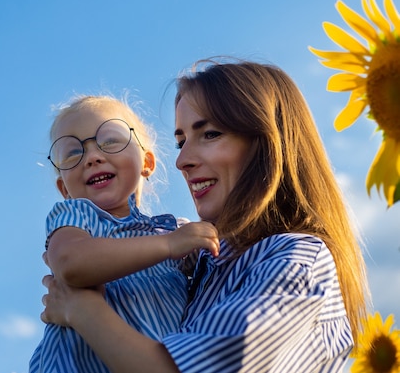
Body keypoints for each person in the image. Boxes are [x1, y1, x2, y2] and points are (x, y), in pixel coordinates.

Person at [38, 60, 369, 373]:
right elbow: (73, 260)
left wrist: (80, 308)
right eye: (181, 140)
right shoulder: (203, 264)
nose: (182, 160)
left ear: (267, 143)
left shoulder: (295, 260)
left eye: (209, 134)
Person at [29, 95, 220, 373]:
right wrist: (169, 244)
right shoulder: (78, 217)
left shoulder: (174, 231)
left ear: (147, 162)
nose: (92, 157)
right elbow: (70, 263)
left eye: (110, 140)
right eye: (71, 153)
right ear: (64, 189)